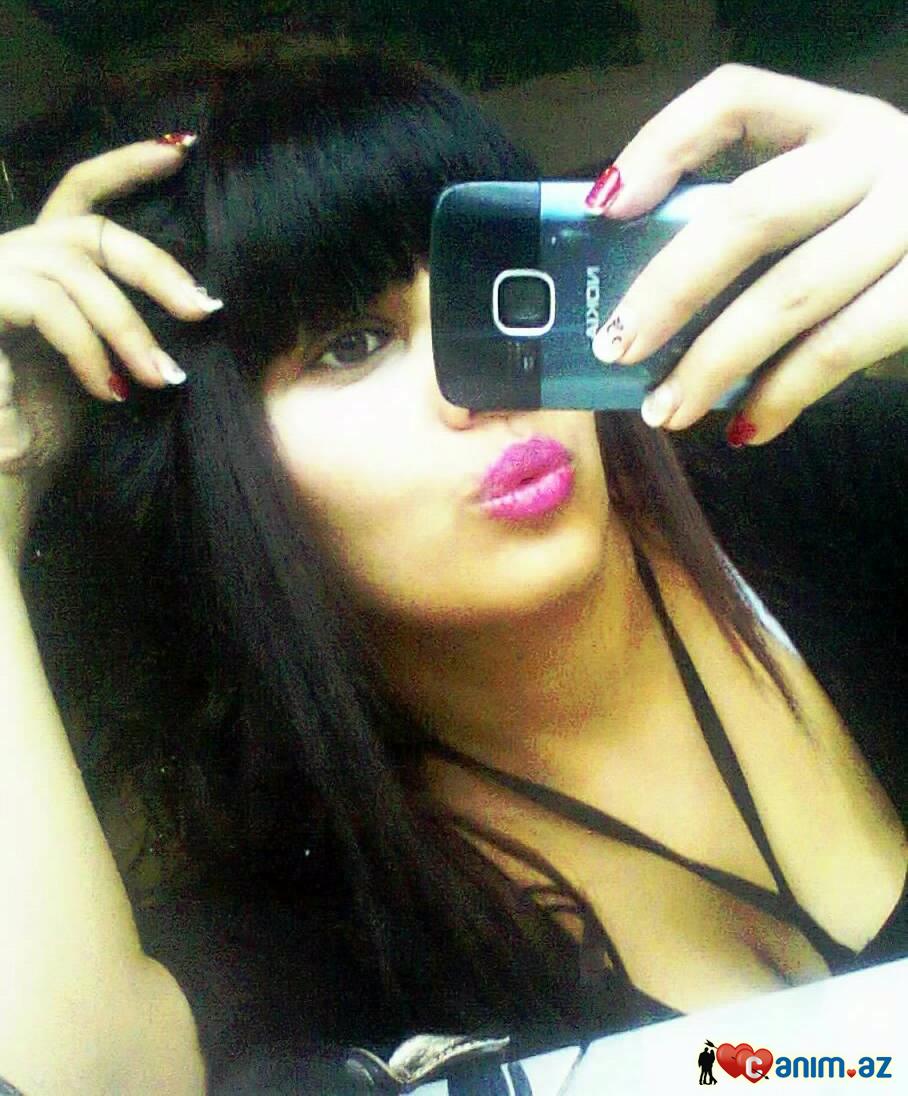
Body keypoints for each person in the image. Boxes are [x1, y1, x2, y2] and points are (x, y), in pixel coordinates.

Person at [0, 45, 905, 1094]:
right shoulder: (317, 923)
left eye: (503, 282)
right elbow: (91, 1076)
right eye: (350, 344)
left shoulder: (818, 483)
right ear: (210, 470)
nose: (485, 381)